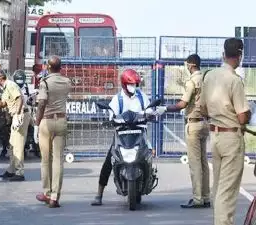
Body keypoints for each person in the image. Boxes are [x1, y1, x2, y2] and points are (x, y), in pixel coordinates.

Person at [199, 38, 250, 225]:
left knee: (219, 186)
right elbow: (243, 117)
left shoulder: (210, 76)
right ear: (240, 56)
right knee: (227, 192)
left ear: (223, 54)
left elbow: (202, 109)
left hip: (216, 137)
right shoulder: (235, 80)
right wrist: (248, 112)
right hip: (231, 138)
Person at [90, 69, 154, 206]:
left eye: (136, 84)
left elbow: (149, 110)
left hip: (139, 133)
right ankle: (99, 194)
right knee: (109, 161)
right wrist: (112, 119)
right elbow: (112, 114)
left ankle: (147, 179)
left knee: (148, 155)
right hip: (122, 134)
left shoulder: (142, 96)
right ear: (124, 84)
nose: (134, 87)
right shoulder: (117, 99)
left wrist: (149, 114)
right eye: (131, 84)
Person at [155, 54, 210, 208]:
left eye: (187, 65)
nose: (186, 67)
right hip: (205, 123)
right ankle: (205, 197)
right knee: (204, 162)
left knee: (195, 163)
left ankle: (197, 198)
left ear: (191, 65)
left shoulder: (192, 81)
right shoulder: (206, 80)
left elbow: (183, 104)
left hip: (193, 124)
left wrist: (164, 109)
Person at [34, 55, 72, 208]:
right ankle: (55, 196)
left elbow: (42, 103)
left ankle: (47, 192)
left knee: (45, 160)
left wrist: (37, 123)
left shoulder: (45, 83)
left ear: (48, 67)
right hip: (61, 120)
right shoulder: (66, 82)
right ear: (60, 67)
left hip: (47, 121)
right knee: (58, 160)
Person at [0, 69, 30, 181]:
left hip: (20, 115)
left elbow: (20, 98)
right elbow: (2, 104)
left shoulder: (10, 85)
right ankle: (11, 170)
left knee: (18, 145)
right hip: (16, 115)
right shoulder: (5, 88)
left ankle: (19, 172)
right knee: (12, 144)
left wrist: (18, 114)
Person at [13, 69, 40, 158]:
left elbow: (35, 96)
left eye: (21, 80)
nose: (19, 82)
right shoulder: (11, 87)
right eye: (18, 80)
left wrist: (33, 100)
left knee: (35, 127)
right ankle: (6, 148)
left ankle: (37, 148)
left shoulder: (29, 88)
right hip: (14, 113)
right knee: (3, 126)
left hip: (26, 112)